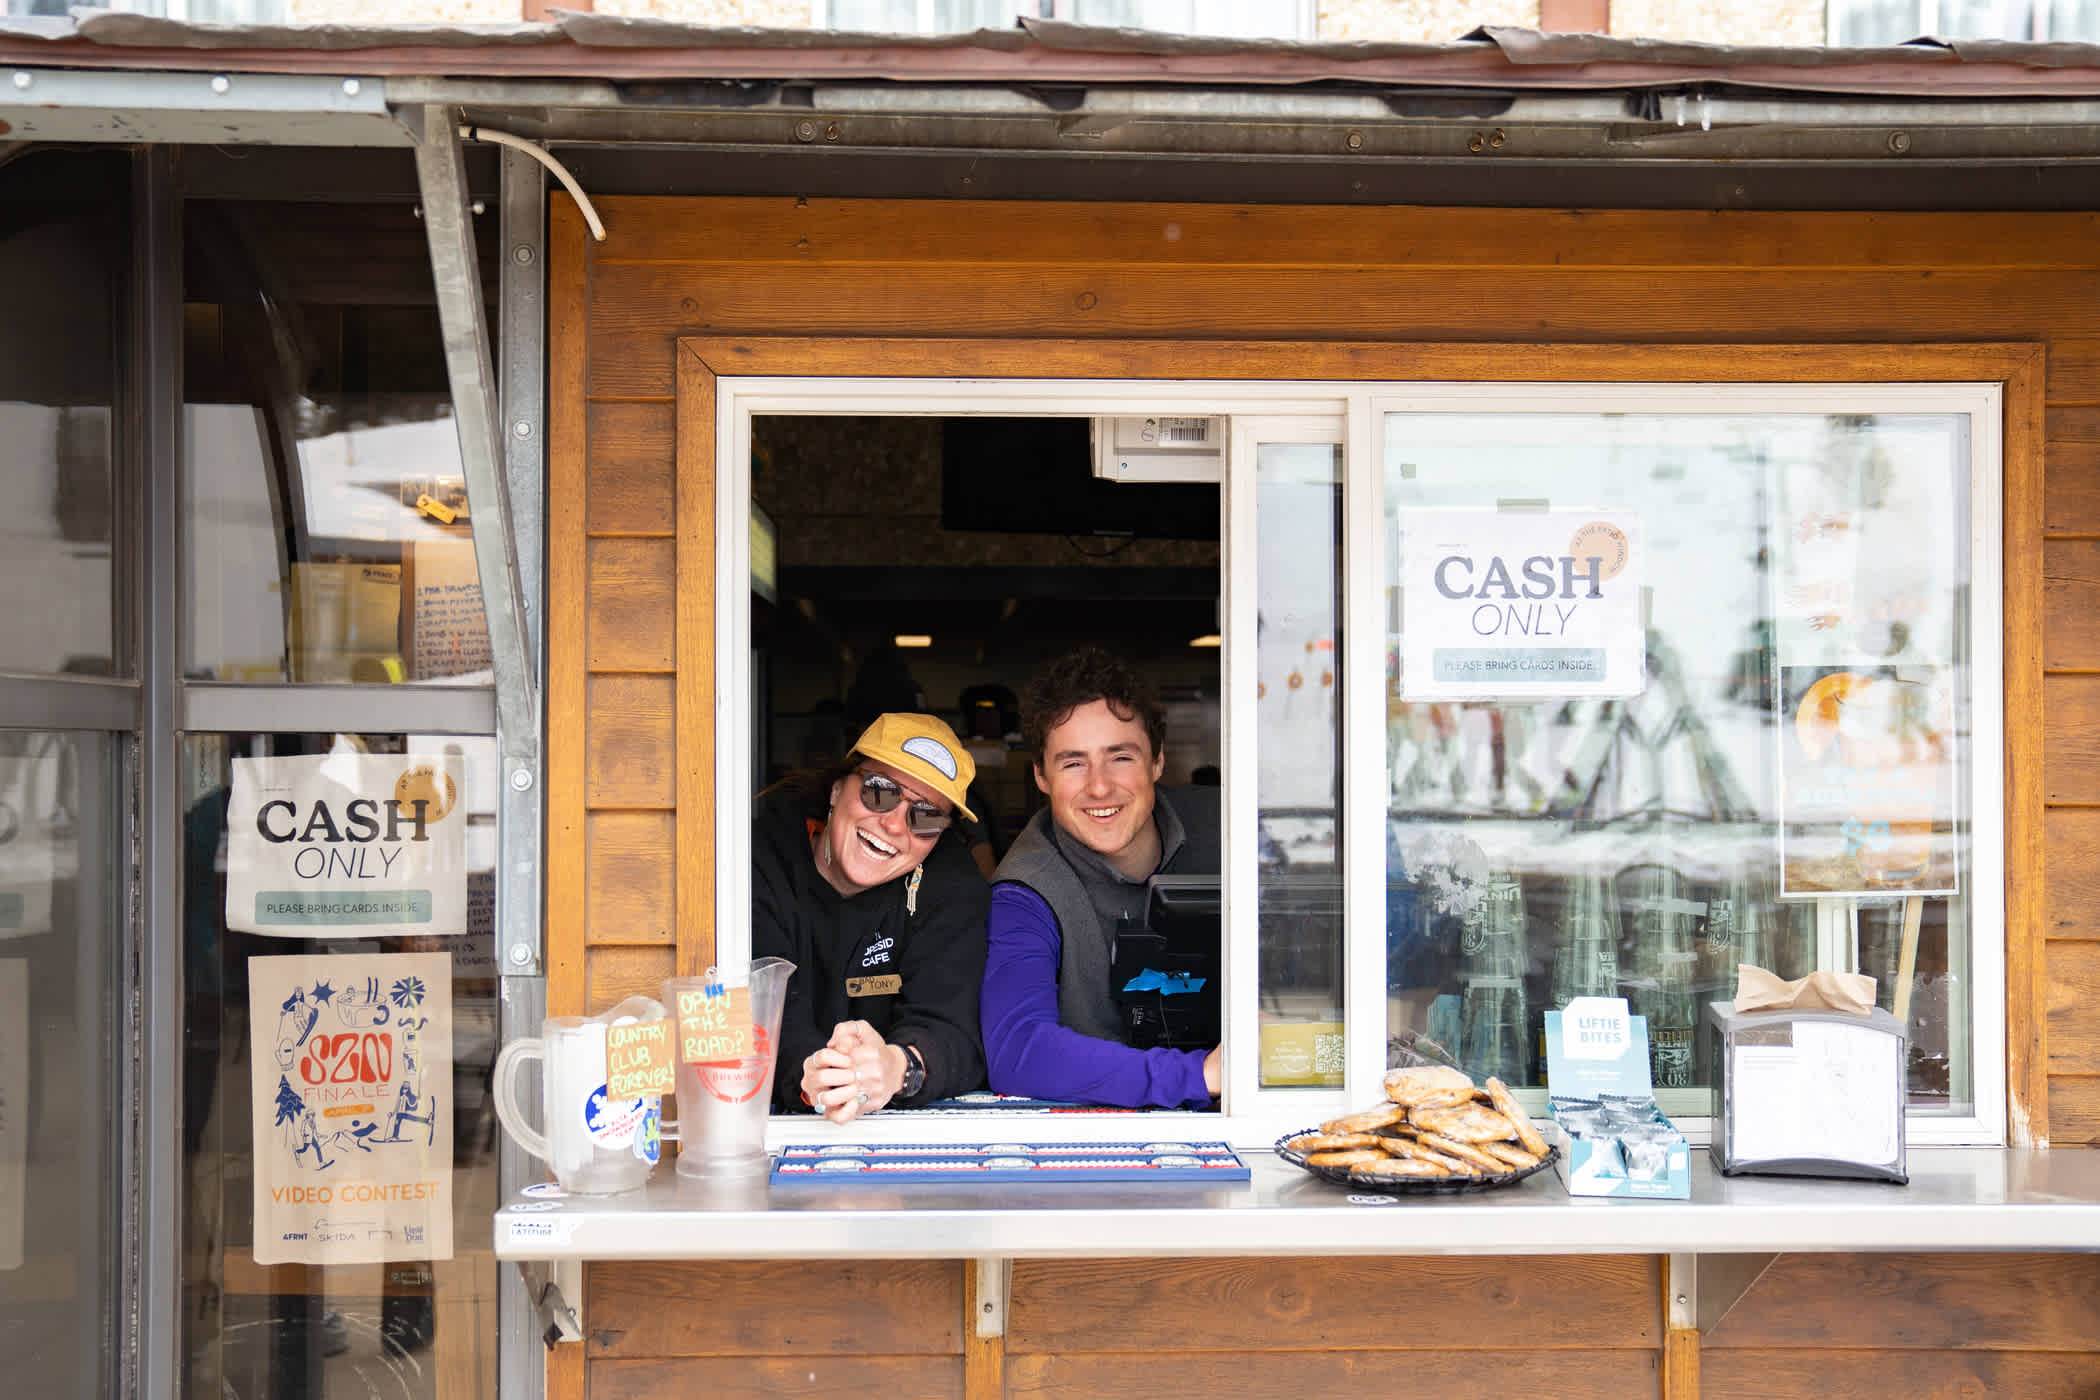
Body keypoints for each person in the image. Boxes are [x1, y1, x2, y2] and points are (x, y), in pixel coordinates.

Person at [980, 647, 1222, 1108]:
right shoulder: (1025, 887)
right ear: (1041, 776)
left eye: (1121, 757)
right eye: (1073, 762)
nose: (1099, 786)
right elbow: (1017, 1051)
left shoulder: (1229, 833)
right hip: (1099, 1138)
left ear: (1157, 762)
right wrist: (1197, 1074)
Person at [753, 712, 991, 1122]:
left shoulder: (952, 885)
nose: (895, 824)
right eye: (880, 792)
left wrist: (901, 1066)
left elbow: (957, 1030)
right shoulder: (761, 857)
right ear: (835, 790)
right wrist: (814, 1076)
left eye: (926, 815)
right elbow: (761, 1004)